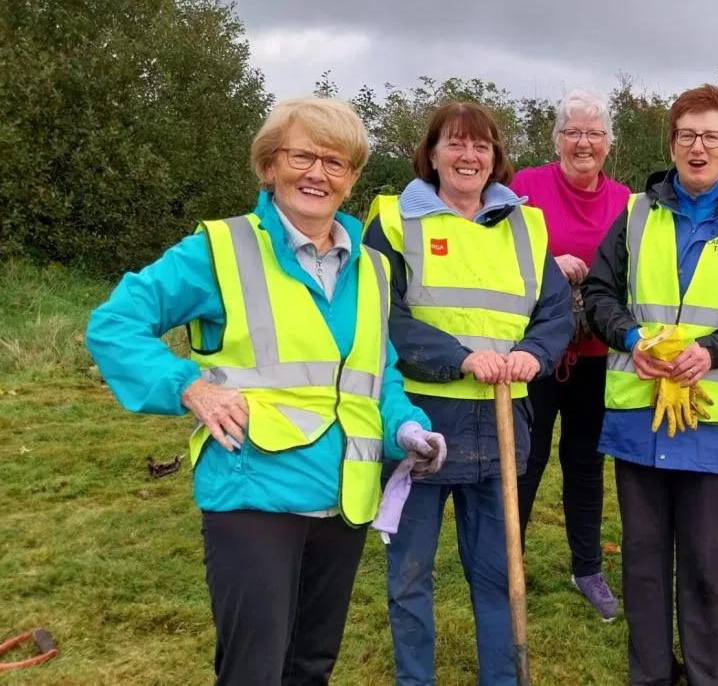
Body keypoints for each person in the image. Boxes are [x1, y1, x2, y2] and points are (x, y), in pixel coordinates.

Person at [85, 96, 446, 685]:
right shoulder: (219, 250)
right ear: (269, 166)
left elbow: (375, 376)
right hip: (253, 493)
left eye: (336, 162)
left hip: (344, 498)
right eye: (302, 156)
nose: (317, 174)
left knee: (310, 665)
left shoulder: (374, 269)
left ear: (352, 179)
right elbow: (114, 324)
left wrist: (404, 426)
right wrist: (188, 386)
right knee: (255, 669)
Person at [583, 84, 718, 686]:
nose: (698, 147)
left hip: (714, 422)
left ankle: (705, 675)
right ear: (671, 144)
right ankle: (648, 674)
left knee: (706, 565)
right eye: (686, 135)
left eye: (711, 136)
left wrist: (711, 351)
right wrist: (629, 340)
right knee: (644, 564)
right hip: (637, 417)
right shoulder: (635, 214)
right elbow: (598, 294)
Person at [363, 101, 573, 686]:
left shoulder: (527, 225)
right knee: (411, 576)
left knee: (497, 573)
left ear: (495, 157)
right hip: (421, 427)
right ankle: (415, 679)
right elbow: (382, 315)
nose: (468, 156)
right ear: (432, 153)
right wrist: (457, 357)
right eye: (455, 144)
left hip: (503, 425)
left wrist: (535, 351)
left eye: (480, 146)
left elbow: (554, 309)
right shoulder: (393, 221)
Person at [510, 89, 631, 622]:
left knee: (585, 462)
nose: (583, 142)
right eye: (573, 132)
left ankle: (587, 567)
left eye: (594, 133)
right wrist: (545, 262)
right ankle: (504, 563)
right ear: (556, 138)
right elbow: (492, 249)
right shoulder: (524, 188)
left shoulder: (628, 201)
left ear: (608, 143)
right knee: (525, 458)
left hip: (596, 352)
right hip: (534, 351)